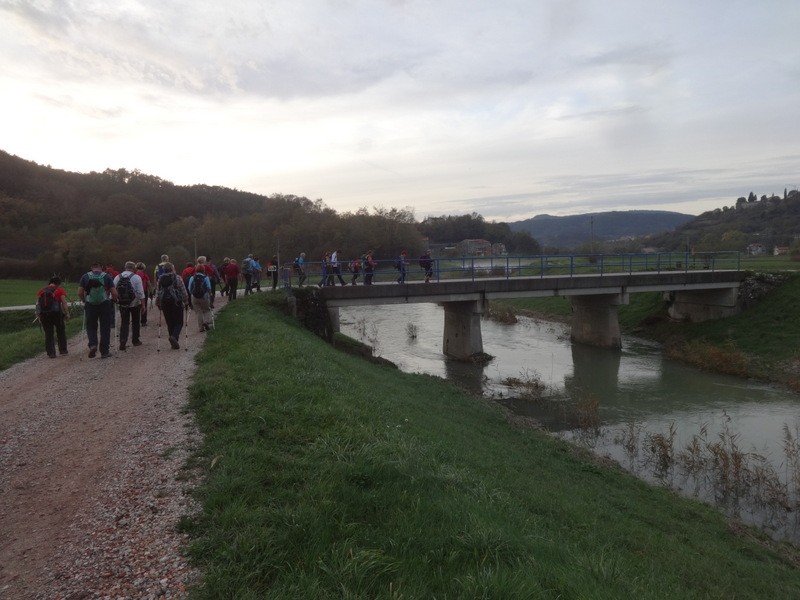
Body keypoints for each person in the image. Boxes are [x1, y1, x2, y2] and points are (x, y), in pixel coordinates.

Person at [78, 261, 118, 358]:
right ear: (101, 267)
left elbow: (79, 292)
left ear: (91, 267)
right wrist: (114, 300)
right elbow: (114, 292)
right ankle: (104, 351)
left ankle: (93, 344)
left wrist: (84, 300)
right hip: (104, 304)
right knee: (105, 327)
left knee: (91, 326)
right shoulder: (106, 276)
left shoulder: (85, 276)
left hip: (90, 304)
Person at [155, 262, 188, 349]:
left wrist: (158, 303)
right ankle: (174, 337)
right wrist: (186, 301)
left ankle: (173, 342)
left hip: (165, 303)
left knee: (170, 323)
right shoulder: (177, 278)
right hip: (176, 302)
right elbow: (183, 290)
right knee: (179, 322)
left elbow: (158, 292)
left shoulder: (160, 279)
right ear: (173, 269)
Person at [114, 261, 146, 351]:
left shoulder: (117, 277)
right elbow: (140, 292)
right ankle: (135, 340)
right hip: (134, 303)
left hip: (123, 304)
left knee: (124, 322)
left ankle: (123, 340)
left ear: (125, 267)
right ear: (134, 268)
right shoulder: (136, 277)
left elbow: (114, 290)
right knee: (136, 321)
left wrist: (115, 300)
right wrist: (143, 304)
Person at [36, 276, 70, 358]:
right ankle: (63, 350)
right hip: (57, 314)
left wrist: (38, 314)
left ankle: (51, 353)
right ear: (58, 283)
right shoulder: (59, 290)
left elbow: (37, 304)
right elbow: (64, 303)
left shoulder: (41, 290)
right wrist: (67, 313)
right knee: (61, 331)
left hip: (44, 314)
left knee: (48, 333)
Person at [188, 265, 213, 332]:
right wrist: (210, 294)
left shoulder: (192, 278)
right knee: (206, 310)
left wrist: (192, 294)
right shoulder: (206, 277)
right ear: (203, 270)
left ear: (196, 270)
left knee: (199, 312)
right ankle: (206, 322)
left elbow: (189, 288)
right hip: (204, 296)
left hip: (194, 297)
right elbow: (209, 288)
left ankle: (201, 328)